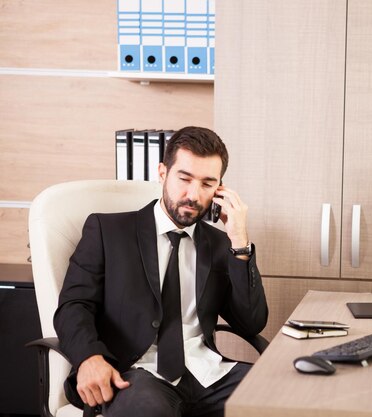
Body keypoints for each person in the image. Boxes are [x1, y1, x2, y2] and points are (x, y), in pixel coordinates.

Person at [54, 126, 268, 417]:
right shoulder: (108, 231)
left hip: (207, 373)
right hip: (135, 373)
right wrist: (89, 357)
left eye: (207, 183)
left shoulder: (221, 244)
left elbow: (251, 323)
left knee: (281, 397)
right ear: (163, 173)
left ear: (220, 189)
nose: (193, 194)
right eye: (184, 178)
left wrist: (240, 243)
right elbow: (73, 306)